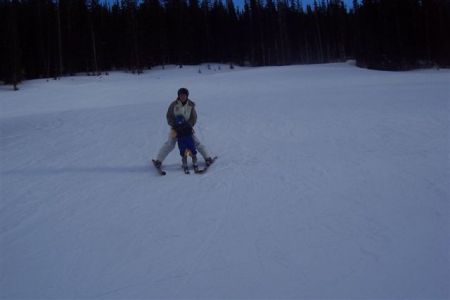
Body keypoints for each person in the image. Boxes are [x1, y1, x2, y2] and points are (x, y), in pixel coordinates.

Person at [153, 87, 213, 169]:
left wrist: (188, 125)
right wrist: (174, 125)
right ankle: (158, 161)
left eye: (184, 95)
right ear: (178, 96)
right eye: (181, 95)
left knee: (196, 142)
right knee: (169, 144)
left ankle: (207, 158)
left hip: (187, 129)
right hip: (176, 128)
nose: (183, 97)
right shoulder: (174, 104)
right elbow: (169, 116)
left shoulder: (190, 105)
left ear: (187, 96)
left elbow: (194, 118)